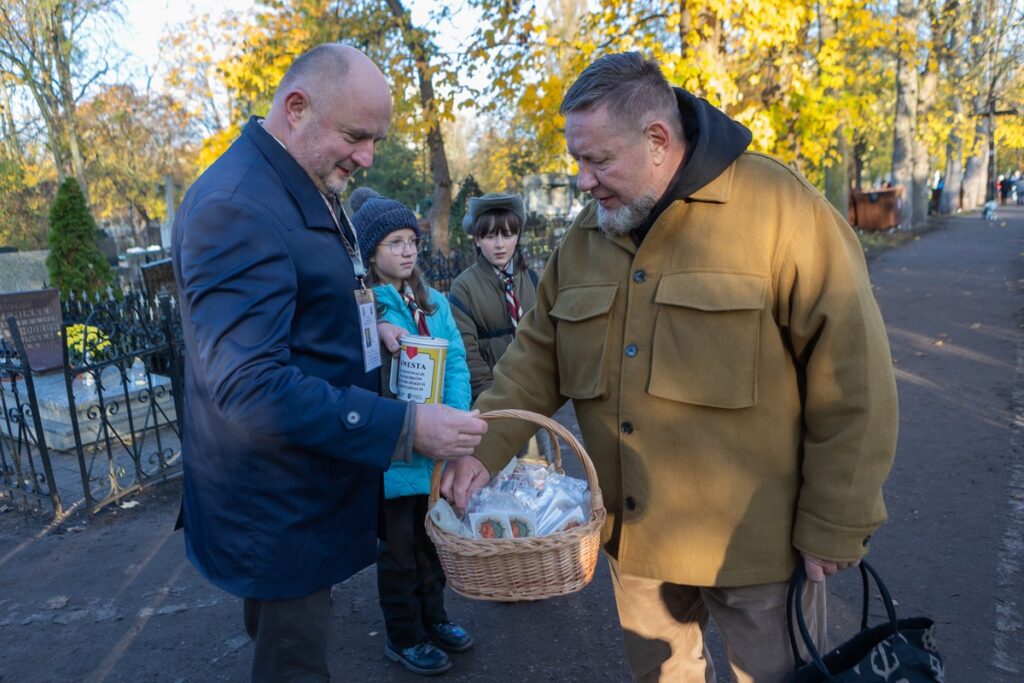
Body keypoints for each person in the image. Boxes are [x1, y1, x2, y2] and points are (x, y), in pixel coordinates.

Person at [439, 52, 899, 682]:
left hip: (757, 553)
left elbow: (855, 378)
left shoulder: (778, 208)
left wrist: (837, 522)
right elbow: (532, 360)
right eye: (578, 160)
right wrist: (479, 448)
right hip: (638, 548)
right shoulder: (586, 236)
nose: (583, 181)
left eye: (598, 160)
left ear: (658, 139)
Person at [171, 44, 486, 683]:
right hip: (278, 502)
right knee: (293, 662)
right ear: (296, 108)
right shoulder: (237, 204)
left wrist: (376, 331)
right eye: (355, 136)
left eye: (374, 139)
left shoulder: (296, 180)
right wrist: (405, 428)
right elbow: (248, 384)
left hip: (308, 480)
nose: (368, 157)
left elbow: (316, 298)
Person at [350, 188, 474, 676]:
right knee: (399, 551)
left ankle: (435, 618)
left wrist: (458, 418)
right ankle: (404, 635)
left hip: (436, 446)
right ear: (370, 253)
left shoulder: (435, 302)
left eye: (411, 242)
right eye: (394, 243)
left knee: (432, 544)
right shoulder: (366, 308)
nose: (407, 251)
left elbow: (458, 361)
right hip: (396, 450)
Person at [449, 193, 552, 459]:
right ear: (476, 239)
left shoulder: (530, 278)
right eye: (489, 236)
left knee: (540, 470)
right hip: (492, 399)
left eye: (507, 235)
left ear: (517, 236)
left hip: (533, 394)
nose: (499, 245)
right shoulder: (464, 286)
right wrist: (493, 399)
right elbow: (466, 350)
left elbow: (546, 334)